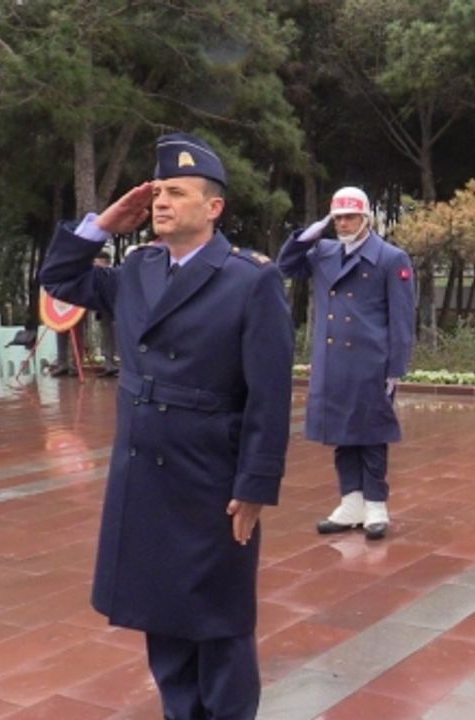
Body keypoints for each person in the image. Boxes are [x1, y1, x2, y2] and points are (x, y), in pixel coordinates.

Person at [39, 132, 293, 720]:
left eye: (176, 192)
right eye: (157, 192)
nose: (161, 202)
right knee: (164, 616)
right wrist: (100, 225)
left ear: (214, 207)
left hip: (210, 475)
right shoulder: (139, 268)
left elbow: (269, 397)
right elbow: (60, 280)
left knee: (220, 622)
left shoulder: (250, 279)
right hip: (145, 471)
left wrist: (254, 487)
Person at [279, 186, 416, 541]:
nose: (343, 224)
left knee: (370, 434)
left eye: (349, 217)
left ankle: (375, 504)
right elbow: (287, 264)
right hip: (333, 359)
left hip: (371, 359)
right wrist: (313, 230)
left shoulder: (390, 257)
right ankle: (350, 500)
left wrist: (396, 368)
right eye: (337, 217)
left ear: (365, 218)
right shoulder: (323, 251)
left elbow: (401, 319)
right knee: (341, 433)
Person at [93, 250, 119, 377]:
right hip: (108, 311)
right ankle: (109, 365)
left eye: (96, 261)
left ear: (102, 261)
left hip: (113, 310)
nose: (95, 264)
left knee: (114, 338)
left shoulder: (109, 273)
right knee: (108, 338)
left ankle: (114, 365)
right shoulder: (112, 273)